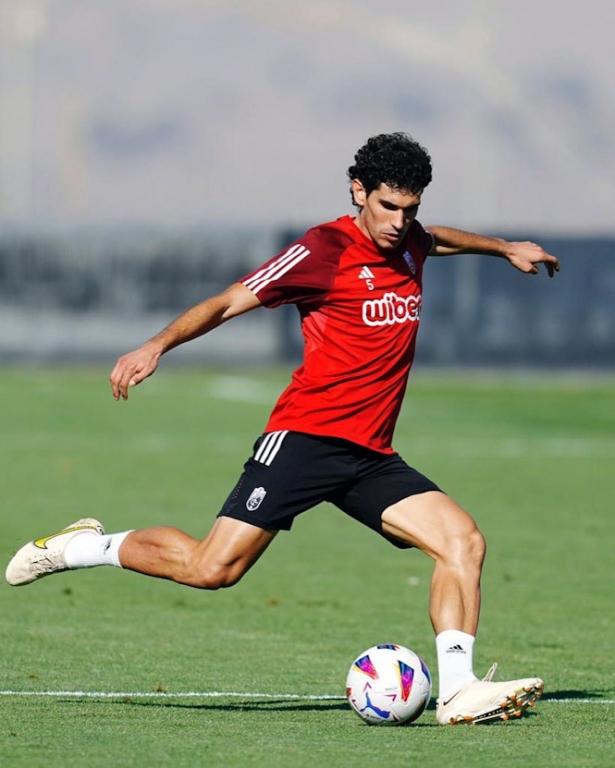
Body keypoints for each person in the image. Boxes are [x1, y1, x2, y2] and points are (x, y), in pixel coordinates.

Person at [5, 132, 559, 725]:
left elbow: (435, 239)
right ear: (358, 191)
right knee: (212, 569)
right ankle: (82, 546)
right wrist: (156, 345)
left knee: (462, 542)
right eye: (387, 206)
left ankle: (457, 690)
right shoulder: (322, 250)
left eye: (410, 209)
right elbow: (225, 302)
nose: (400, 222)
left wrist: (503, 248)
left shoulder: (409, 241)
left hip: (369, 454)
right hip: (304, 439)